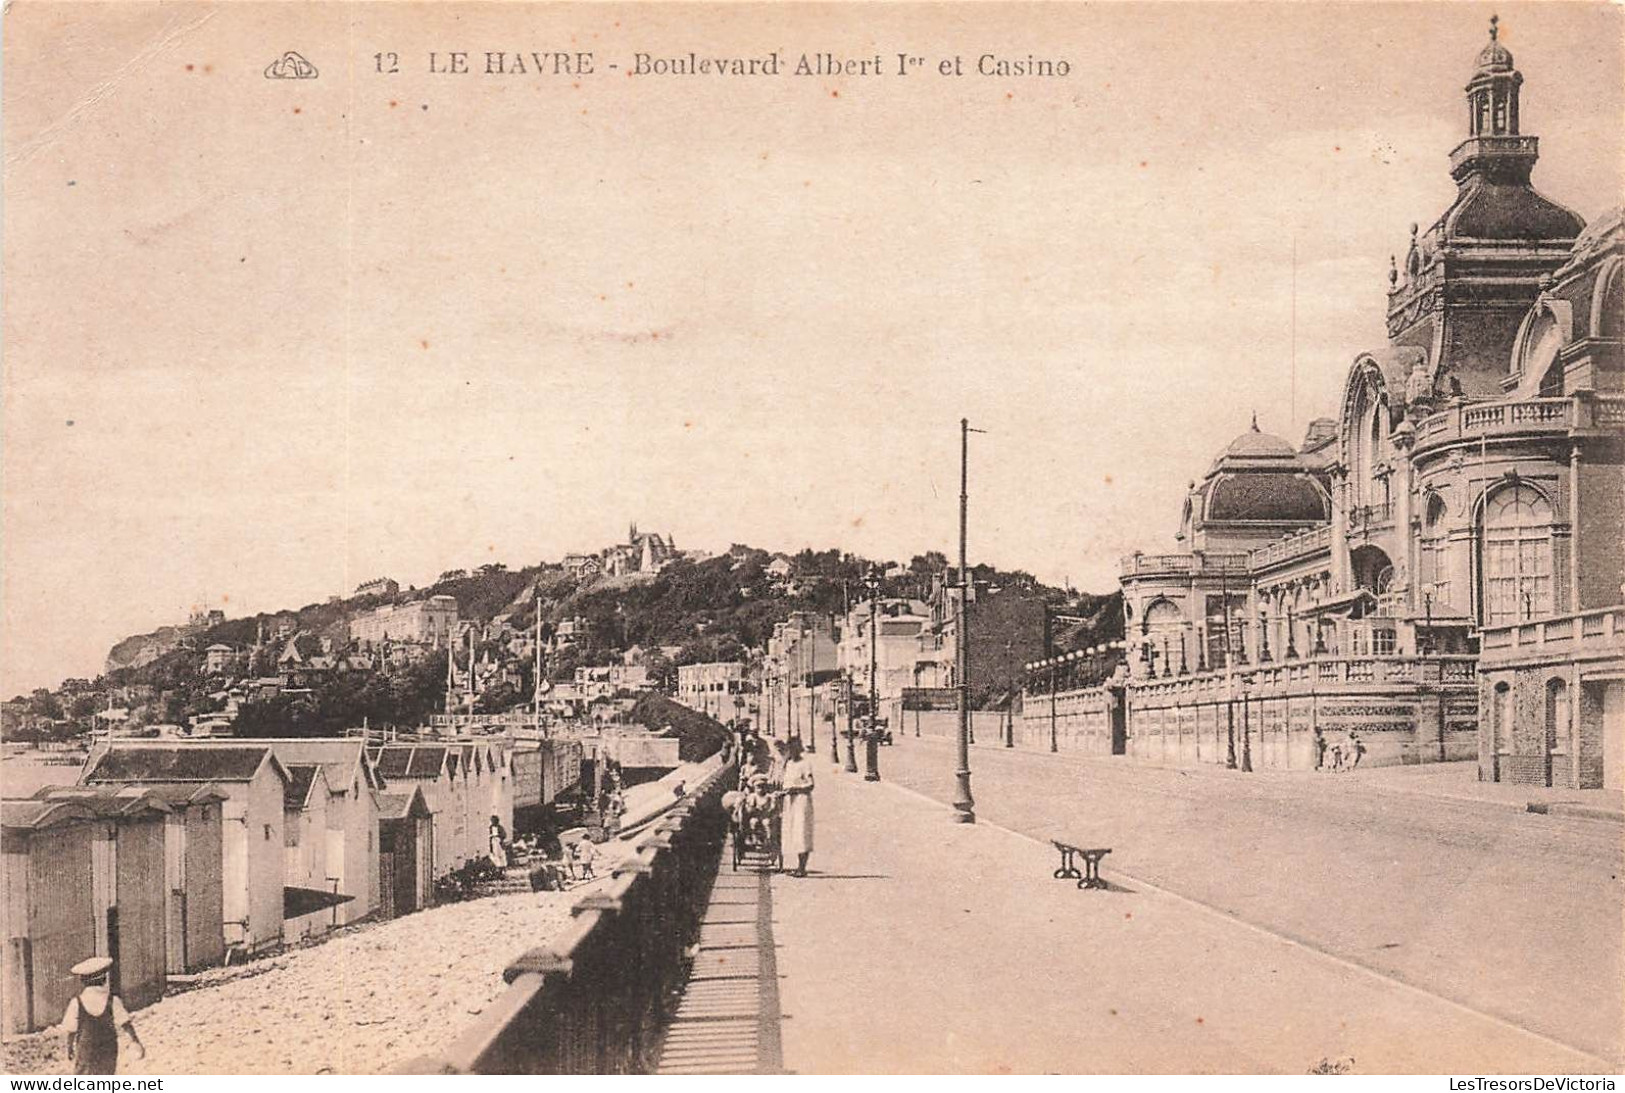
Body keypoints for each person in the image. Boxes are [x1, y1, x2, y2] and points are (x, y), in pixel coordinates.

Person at [62, 957, 143, 1075]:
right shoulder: (113, 1000)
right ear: (104, 979)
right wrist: (135, 1041)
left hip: (86, 1048)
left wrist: (69, 1048)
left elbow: (71, 1029)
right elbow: (126, 1023)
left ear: (83, 982)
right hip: (108, 1048)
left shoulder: (77, 1002)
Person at [778, 738, 815, 877]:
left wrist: (795, 789)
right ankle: (798, 866)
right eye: (789, 750)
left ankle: (802, 867)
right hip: (790, 801)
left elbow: (811, 785)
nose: (791, 753)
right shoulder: (789, 764)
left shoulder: (805, 764)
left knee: (802, 832)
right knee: (792, 832)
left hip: (802, 801)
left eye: (793, 750)